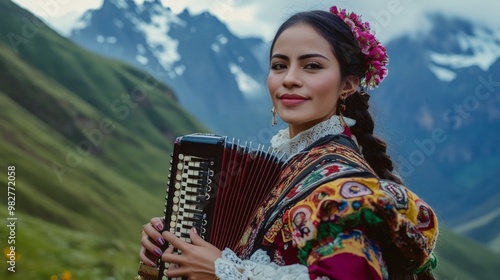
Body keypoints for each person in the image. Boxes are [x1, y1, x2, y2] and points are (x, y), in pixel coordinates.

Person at [138, 6, 439, 280]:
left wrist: (225, 270)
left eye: (312, 66)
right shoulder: (289, 166)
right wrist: (173, 248)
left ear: (347, 85)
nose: (290, 79)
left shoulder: (343, 190)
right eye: (280, 65)